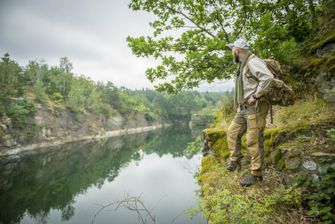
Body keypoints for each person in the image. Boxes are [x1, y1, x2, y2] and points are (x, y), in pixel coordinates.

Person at [226, 38, 274, 187]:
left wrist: (255, 96)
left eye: (232, 49)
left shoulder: (253, 61)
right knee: (232, 133)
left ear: (237, 50)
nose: (232, 52)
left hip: (255, 107)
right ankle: (235, 160)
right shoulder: (243, 64)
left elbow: (268, 77)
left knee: (253, 140)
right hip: (244, 108)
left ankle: (256, 174)